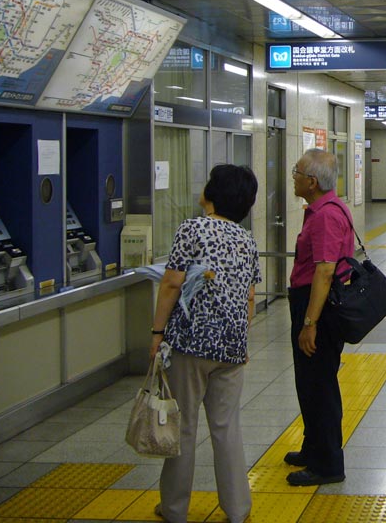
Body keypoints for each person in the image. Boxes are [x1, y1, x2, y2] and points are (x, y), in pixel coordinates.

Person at [150, 164, 259, 523]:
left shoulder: (193, 229)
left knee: (182, 427)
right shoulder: (247, 239)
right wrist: (238, 337)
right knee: (226, 428)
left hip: (191, 345)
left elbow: (171, 284)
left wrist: (156, 333)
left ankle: (175, 510)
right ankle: (238, 509)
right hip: (232, 347)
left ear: (214, 194)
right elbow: (249, 298)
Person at [284, 148, 354, 486]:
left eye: (296, 172)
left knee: (320, 385)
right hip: (312, 303)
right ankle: (313, 448)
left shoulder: (326, 215)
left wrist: (309, 323)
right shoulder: (323, 208)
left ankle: (328, 464)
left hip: (319, 309)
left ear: (311, 182)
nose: (293, 178)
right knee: (309, 383)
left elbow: (325, 271)